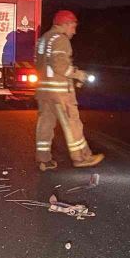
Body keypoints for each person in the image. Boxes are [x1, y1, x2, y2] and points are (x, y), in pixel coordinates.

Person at [34, 10, 104, 170]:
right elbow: (59, 65)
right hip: (59, 93)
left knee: (45, 124)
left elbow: (40, 64)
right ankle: (81, 157)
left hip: (44, 91)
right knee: (72, 124)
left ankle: (43, 159)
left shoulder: (43, 39)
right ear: (64, 24)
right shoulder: (61, 39)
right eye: (73, 26)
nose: (74, 30)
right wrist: (78, 74)